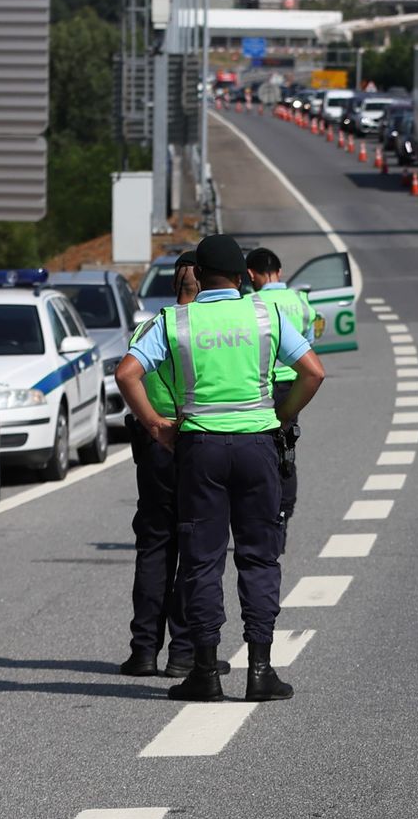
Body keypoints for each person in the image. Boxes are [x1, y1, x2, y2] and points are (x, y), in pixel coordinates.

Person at [116, 235, 326, 702]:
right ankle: (260, 670)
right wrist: (283, 414)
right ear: (240, 276)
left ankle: (205, 672)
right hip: (257, 445)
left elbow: (126, 373)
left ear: (198, 275)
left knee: (202, 559)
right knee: (258, 556)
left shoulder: (176, 321)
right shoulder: (265, 314)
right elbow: (313, 371)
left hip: (199, 447)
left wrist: (154, 424)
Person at [120, 251, 220, 679]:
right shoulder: (204, 328)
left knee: (155, 547)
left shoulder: (150, 327)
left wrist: (154, 426)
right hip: (195, 443)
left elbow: (131, 377)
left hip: (154, 445)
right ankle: (184, 653)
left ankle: (143, 651)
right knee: (196, 550)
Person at [246, 247, 317, 546]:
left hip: (259, 388)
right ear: (279, 271)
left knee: (256, 454)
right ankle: (283, 516)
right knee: (286, 452)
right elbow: (308, 348)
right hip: (292, 388)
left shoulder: (249, 303)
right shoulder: (301, 302)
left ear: (251, 275)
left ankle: (258, 517)